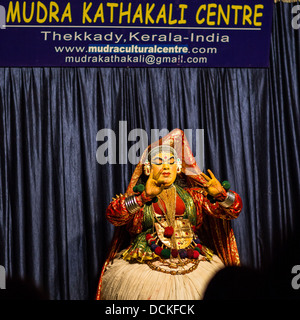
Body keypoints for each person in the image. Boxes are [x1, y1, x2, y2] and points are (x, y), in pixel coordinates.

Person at [96, 129, 243, 300]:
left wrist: (222, 196)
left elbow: (233, 211)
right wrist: (144, 197)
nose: (166, 166)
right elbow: (114, 216)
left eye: (171, 162)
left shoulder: (194, 196)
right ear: (147, 168)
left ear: (179, 167)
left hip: (193, 261)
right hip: (146, 266)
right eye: (159, 161)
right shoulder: (139, 200)